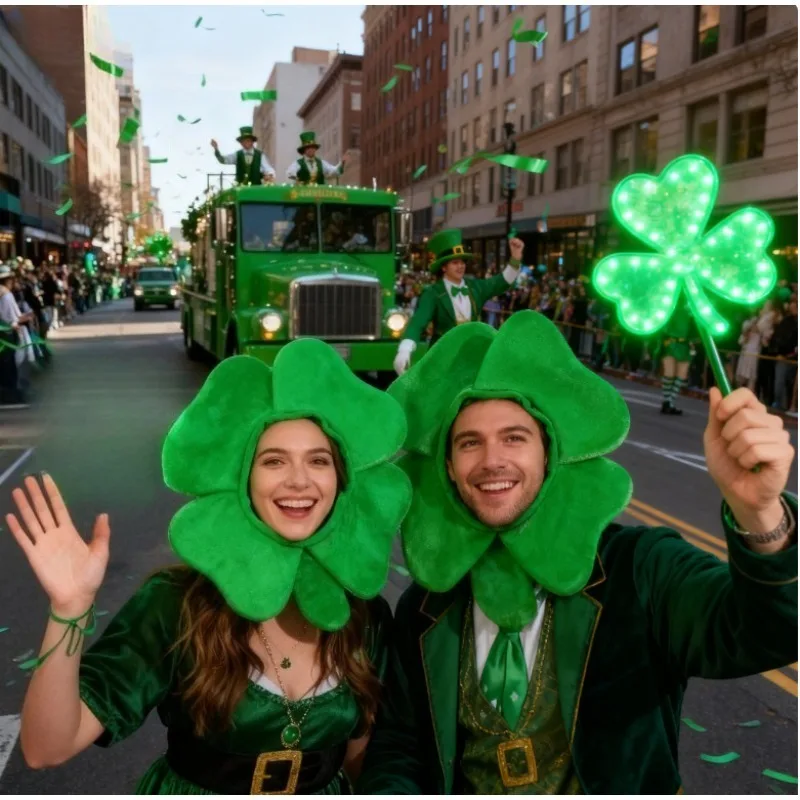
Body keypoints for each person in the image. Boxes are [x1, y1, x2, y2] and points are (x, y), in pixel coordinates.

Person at [358, 310, 797, 794]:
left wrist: (760, 514)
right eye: (469, 443)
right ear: (448, 466)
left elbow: (769, 632)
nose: (492, 460)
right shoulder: (425, 606)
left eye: (514, 438)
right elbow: (400, 745)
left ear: (549, 452)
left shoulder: (639, 568)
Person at [6, 339, 412, 794]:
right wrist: (70, 607)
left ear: (340, 480)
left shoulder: (364, 614)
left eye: (318, 461)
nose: (299, 480)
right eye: (273, 461)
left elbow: (360, 756)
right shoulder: (176, 604)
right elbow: (46, 748)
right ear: (243, 480)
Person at [393, 231, 523, 376]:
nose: (460, 266)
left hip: (473, 359)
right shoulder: (433, 293)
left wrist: (515, 258)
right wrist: (405, 350)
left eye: (462, 262)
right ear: (444, 267)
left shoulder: (475, 287)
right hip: (443, 362)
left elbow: (501, 282)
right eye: (455, 263)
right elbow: (418, 322)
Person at [660, 301, 694, 415]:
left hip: (686, 344)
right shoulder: (671, 306)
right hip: (671, 342)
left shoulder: (693, 309)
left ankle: (669, 402)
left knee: (680, 376)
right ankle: (667, 402)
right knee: (669, 374)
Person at [211, 126, 276, 186]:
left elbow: (268, 168)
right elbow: (223, 160)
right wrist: (216, 149)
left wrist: (270, 175)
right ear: (241, 143)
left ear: (252, 141)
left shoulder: (259, 155)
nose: (245, 143)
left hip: (256, 188)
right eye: (243, 141)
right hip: (241, 189)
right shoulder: (237, 155)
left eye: (248, 140)